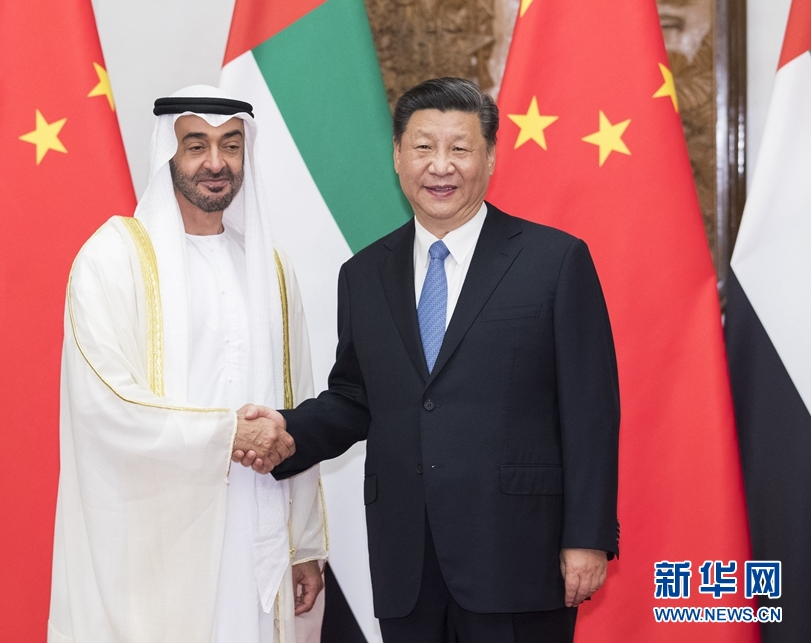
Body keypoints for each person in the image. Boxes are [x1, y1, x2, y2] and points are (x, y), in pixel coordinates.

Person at [238, 77, 620, 642]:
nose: (441, 166)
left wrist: (587, 537)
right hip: (407, 563)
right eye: (423, 147)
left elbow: (590, 411)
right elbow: (356, 398)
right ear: (397, 155)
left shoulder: (554, 261)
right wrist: (286, 431)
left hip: (518, 554)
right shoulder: (364, 274)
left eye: (460, 148)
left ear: (490, 157)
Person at [48, 85, 327, 643]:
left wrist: (303, 545)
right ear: (167, 153)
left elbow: (295, 402)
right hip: (157, 534)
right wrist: (227, 434)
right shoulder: (112, 258)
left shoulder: (269, 268)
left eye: (231, 145)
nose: (216, 163)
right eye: (196, 145)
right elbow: (106, 403)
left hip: (257, 528)